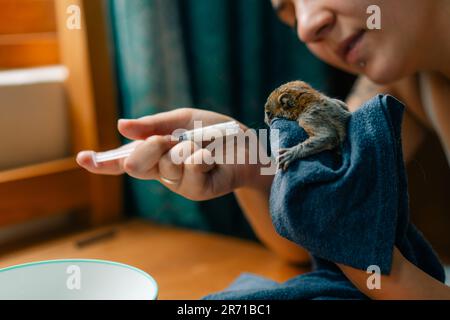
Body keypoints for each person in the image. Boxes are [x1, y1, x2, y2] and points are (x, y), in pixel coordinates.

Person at [77, 0, 450, 299]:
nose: (306, 26)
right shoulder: (399, 82)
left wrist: (391, 277)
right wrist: (257, 168)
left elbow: (339, 233)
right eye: (286, 10)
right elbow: (304, 243)